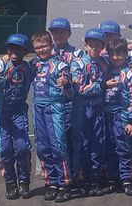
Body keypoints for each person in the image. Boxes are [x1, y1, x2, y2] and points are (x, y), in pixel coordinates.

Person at [0, 34, 33, 200]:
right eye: (11, 47)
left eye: (18, 48)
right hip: (1, 114)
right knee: (5, 149)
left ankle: (24, 182)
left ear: (25, 51)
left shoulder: (29, 68)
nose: (13, 51)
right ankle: (10, 183)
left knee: (23, 148)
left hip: (19, 113)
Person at [30, 31, 73, 202]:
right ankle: (52, 182)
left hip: (55, 107)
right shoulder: (33, 64)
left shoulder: (59, 64)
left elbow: (68, 80)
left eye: (44, 46)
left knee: (57, 146)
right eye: (37, 48)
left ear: (51, 46)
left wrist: (66, 82)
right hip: (38, 107)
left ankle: (64, 183)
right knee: (42, 147)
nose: (41, 50)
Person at [70, 29, 108, 196]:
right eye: (91, 44)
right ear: (85, 45)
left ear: (102, 47)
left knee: (97, 143)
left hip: (98, 108)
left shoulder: (103, 63)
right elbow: (80, 90)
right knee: (82, 144)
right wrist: (102, 86)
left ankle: (95, 178)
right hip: (82, 109)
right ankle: (80, 179)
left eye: (97, 45)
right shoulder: (77, 64)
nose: (94, 48)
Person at [103, 38, 132, 196]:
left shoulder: (130, 73)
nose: (115, 57)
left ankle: (127, 179)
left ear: (126, 54)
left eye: (119, 54)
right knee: (109, 147)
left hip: (123, 115)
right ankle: (113, 178)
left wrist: (131, 120)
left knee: (124, 148)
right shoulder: (105, 70)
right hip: (106, 114)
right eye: (112, 54)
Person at [48, 17, 82, 179]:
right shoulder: (46, 53)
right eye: (55, 32)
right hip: (53, 106)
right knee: (55, 143)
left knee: (74, 142)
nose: (59, 35)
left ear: (69, 33)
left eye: (62, 32)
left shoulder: (77, 53)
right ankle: (61, 176)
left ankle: (76, 175)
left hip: (72, 105)